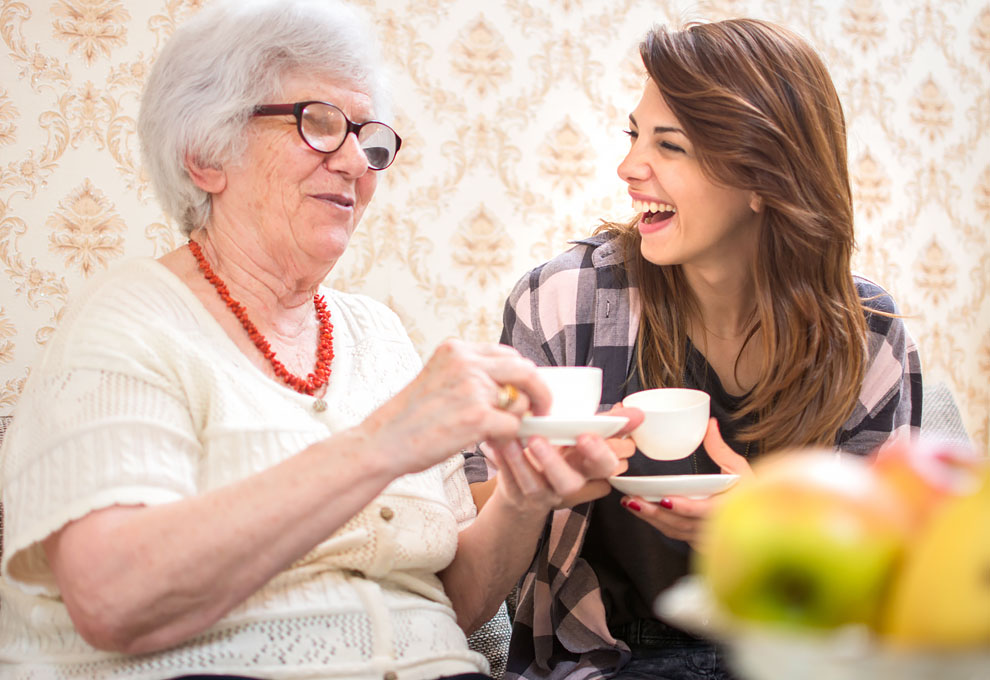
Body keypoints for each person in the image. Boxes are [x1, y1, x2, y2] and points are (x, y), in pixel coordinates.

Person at [0, 1, 636, 678]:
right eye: (320, 124)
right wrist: (383, 443)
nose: (357, 162)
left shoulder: (378, 337)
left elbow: (447, 607)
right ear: (205, 157)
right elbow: (112, 599)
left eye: (368, 138)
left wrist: (524, 497)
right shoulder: (130, 321)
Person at [466, 17, 923, 680]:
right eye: (635, 136)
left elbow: (889, 581)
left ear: (764, 176)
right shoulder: (564, 303)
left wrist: (770, 533)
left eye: (670, 145)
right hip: (601, 659)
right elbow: (481, 542)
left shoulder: (866, 332)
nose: (628, 168)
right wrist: (533, 489)